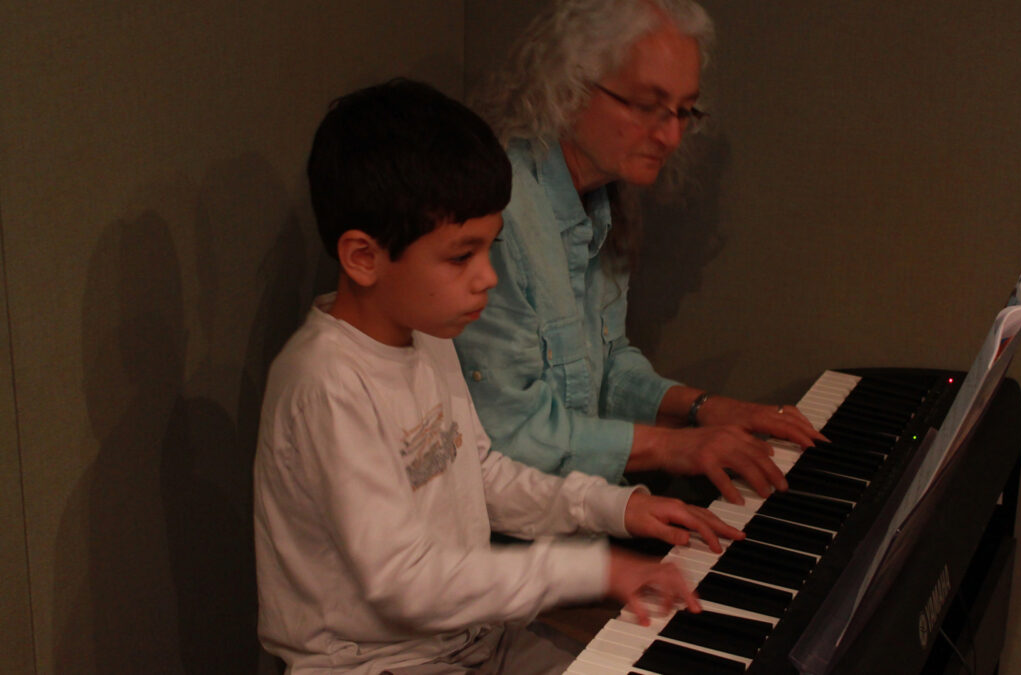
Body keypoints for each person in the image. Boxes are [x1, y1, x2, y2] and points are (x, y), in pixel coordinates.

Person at [253, 78, 744, 674]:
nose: (487, 277)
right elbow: (404, 582)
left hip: (477, 641)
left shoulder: (428, 333)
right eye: (462, 256)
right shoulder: (326, 383)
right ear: (363, 257)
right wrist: (596, 569)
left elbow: (481, 473)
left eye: (492, 248)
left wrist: (616, 509)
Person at [455, 0, 827, 506]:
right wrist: (674, 445)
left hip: (585, 511)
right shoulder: (500, 217)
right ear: (568, 88)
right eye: (647, 106)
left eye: (683, 111)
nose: (671, 135)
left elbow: (602, 366)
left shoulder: (602, 197)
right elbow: (511, 433)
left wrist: (704, 408)